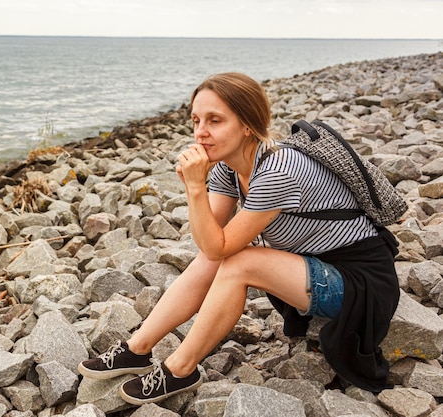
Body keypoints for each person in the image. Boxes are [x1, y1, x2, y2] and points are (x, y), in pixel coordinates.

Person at [78, 72, 400, 405]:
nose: (201, 132)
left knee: (240, 262)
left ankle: (181, 369)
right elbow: (209, 244)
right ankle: (137, 349)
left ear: (247, 124)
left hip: (361, 285)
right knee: (214, 258)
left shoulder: (278, 170)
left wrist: (193, 188)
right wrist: (198, 189)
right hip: (311, 270)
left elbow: (220, 245)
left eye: (215, 120)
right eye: (196, 120)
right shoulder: (228, 166)